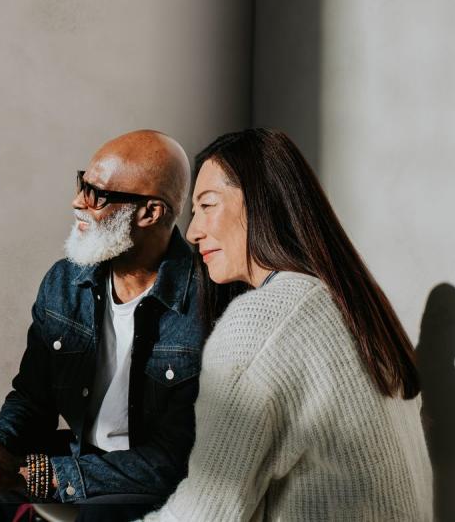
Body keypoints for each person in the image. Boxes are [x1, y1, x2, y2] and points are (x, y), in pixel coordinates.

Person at [0, 130, 205, 521]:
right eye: (82, 184)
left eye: (97, 195)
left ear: (150, 213)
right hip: (75, 455)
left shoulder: (204, 302)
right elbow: (32, 398)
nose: (77, 202)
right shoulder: (66, 282)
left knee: (98, 516)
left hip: (144, 482)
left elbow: (174, 458)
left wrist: (38, 476)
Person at [142, 128, 433, 521]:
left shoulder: (262, 323)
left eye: (207, 205)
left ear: (262, 203)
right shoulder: (353, 307)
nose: (193, 232)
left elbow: (205, 515)